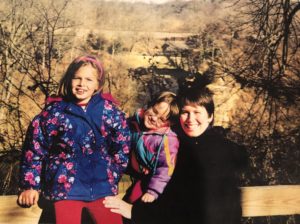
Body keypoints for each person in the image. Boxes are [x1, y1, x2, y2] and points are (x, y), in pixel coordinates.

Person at [103, 75, 248, 224]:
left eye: (197, 112)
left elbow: (184, 201)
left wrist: (134, 212)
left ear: (210, 116)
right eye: (185, 112)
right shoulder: (176, 143)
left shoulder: (219, 151)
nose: (190, 119)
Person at [18, 55, 131, 224]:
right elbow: (34, 150)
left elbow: (121, 148)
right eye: (77, 78)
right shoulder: (53, 113)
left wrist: (110, 174)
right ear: (68, 79)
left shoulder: (110, 112)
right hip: (65, 189)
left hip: (102, 187)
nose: (81, 84)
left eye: (88, 79)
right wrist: (30, 186)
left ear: (97, 85)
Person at [124, 91, 179, 205]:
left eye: (161, 119)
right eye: (154, 111)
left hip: (154, 180)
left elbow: (166, 168)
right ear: (150, 105)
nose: (154, 118)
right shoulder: (135, 122)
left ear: (170, 123)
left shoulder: (166, 140)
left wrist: (153, 191)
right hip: (135, 172)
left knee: (135, 203)